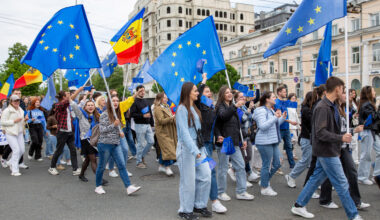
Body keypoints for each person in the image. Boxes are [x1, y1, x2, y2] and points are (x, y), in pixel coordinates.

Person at [291, 76, 362, 220]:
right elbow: (321, 133)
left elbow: (333, 131)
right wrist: (340, 139)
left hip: (329, 150)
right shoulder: (323, 107)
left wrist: (349, 134)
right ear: (337, 89)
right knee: (342, 183)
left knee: (315, 179)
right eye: (342, 89)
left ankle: (298, 206)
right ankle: (353, 215)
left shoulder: (331, 106)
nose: (343, 92)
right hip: (326, 152)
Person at [318, 88, 371, 210]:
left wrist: (353, 125)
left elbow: (344, 127)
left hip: (343, 147)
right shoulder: (332, 109)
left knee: (351, 172)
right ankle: (324, 199)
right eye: (343, 93)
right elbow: (333, 131)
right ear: (337, 95)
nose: (347, 95)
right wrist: (354, 130)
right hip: (333, 147)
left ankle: (356, 201)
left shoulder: (344, 108)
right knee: (327, 174)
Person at [176, 82, 212, 220]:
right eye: (196, 91)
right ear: (188, 92)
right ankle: (185, 210)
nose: (198, 93)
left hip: (199, 148)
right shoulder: (181, 109)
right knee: (188, 181)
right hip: (187, 150)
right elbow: (184, 133)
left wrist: (201, 150)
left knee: (206, 174)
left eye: (198, 90)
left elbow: (198, 131)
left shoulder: (194, 108)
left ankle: (199, 205)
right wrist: (194, 150)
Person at [194, 73, 227, 214]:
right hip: (200, 145)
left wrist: (218, 135)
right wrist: (203, 81)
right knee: (210, 172)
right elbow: (198, 96)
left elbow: (215, 125)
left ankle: (198, 201)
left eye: (210, 92)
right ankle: (214, 201)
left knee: (204, 174)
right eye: (206, 92)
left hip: (209, 144)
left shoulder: (210, 107)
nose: (210, 94)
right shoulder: (198, 106)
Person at [94, 95, 141, 195]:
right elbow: (102, 130)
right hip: (105, 144)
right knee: (101, 167)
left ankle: (128, 187)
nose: (115, 102)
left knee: (121, 165)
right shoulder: (104, 115)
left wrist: (119, 132)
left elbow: (115, 128)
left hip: (116, 143)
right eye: (113, 101)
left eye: (117, 101)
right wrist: (114, 125)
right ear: (109, 103)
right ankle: (98, 186)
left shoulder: (117, 114)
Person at [215, 86, 254, 201]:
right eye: (226, 93)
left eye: (230, 92)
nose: (229, 94)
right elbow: (223, 117)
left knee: (241, 166)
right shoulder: (220, 107)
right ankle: (220, 192)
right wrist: (234, 106)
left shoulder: (232, 107)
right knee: (223, 168)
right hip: (226, 141)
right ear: (222, 95)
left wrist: (242, 140)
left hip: (235, 141)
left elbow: (237, 125)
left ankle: (241, 192)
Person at [254, 92, 286, 196]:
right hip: (264, 141)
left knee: (277, 163)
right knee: (266, 164)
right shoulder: (260, 110)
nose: (275, 98)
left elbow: (273, 125)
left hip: (272, 140)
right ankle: (264, 187)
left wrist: (282, 118)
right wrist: (275, 117)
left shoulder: (271, 110)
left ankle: (264, 180)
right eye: (273, 97)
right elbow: (263, 126)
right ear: (267, 99)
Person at [70, 87, 102, 183]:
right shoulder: (81, 114)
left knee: (87, 159)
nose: (90, 106)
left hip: (94, 140)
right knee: (93, 159)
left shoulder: (97, 116)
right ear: (85, 107)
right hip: (85, 140)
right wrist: (79, 90)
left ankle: (81, 174)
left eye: (92, 105)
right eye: (88, 105)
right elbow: (71, 101)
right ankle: (99, 179)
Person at [48, 91, 81, 176]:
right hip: (62, 132)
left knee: (73, 150)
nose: (69, 95)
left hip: (69, 132)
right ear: (63, 97)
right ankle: (52, 167)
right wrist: (79, 90)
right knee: (59, 150)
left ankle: (75, 169)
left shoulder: (67, 106)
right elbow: (68, 101)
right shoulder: (59, 105)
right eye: (67, 95)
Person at [285, 92, 313, 188]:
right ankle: (291, 176)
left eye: (295, 98)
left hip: (299, 129)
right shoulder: (306, 109)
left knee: (316, 162)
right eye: (292, 98)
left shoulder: (308, 108)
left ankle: (318, 182)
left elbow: (297, 118)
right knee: (305, 160)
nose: (294, 99)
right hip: (301, 134)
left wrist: (298, 125)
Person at [357, 86, 380, 186]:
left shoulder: (369, 104)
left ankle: (377, 175)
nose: (375, 92)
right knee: (366, 155)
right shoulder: (367, 105)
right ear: (369, 93)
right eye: (373, 90)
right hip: (367, 131)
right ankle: (362, 177)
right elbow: (373, 118)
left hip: (372, 131)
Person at [0, 95, 26, 176]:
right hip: (10, 133)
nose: (16, 102)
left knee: (22, 150)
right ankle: (14, 170)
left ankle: (10, 162)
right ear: (11, 102)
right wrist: (14, 121)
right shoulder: (7, 110)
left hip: (20, 132)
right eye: (15, 101)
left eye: (18, 100)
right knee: (16, 150)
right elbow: (2, 122)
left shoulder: (20, 109)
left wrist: (25, 121)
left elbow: (21, 120)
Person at [130, 85, 154, 168]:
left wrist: (152, 124)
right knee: (140, 144)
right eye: (140, 91)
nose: (143, 92)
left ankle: (141, 156)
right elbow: (132, 114)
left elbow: (150, 113)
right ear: (137, 92)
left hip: (147, 125)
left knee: (151, 142)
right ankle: (138, 162)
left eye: (143, 90)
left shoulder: (146, 101)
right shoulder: (134, 101)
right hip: (139, 125)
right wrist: (142, 116)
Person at [153, 92, 177, 176]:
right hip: (162, 132)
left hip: (169, 130)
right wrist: (172, 118)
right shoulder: (157, 108)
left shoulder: (167, 106)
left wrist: (173, 118)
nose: (167, 99)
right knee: (168, 149)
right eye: (165, 98)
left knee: (165, 150)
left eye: (166, 98)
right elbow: (161, 121)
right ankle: (167, 168)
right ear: (160, 99)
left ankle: (161, 165)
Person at [275, 86, 297, 169]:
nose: (285, 93)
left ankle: (292, 164)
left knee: (289, 146)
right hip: (279, 129)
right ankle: (276, 165)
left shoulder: (284, 102)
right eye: (284, 92)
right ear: (279, 93)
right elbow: (280, 116)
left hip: (286, 128)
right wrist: (291, 122)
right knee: (275, 147)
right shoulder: (277, 102)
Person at [349, 89, 360, 164]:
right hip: (351, 124)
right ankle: (352, 159)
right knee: (352, 143)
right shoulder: (348, 103)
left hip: (355, 122)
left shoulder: (354, 102)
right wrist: (353, 115)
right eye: (352, 93)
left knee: (355, 142)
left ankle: (355, 159)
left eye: (354, 93)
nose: (354, 94)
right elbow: (348, 114)